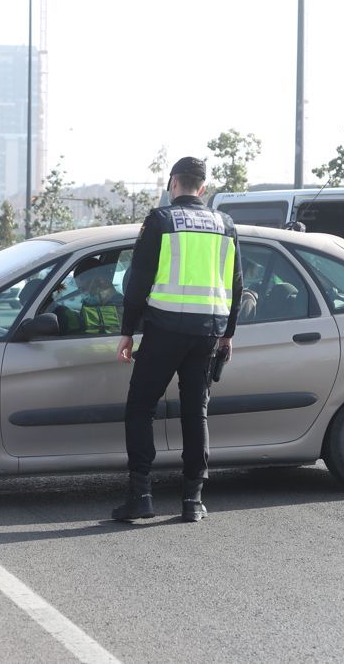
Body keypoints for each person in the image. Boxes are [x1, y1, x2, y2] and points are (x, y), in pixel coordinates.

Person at [112, 157, 243, 523]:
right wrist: (228, 334)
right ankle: (193, 501)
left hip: (164, 330)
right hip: (207, 334)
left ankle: (141, 496)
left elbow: (138, 281)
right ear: (203, 188)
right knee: (194, 412)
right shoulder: (225, 225)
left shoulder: (161, 220)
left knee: (140, 408)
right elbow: (236, 285)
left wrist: (127, 331)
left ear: (173, 184)